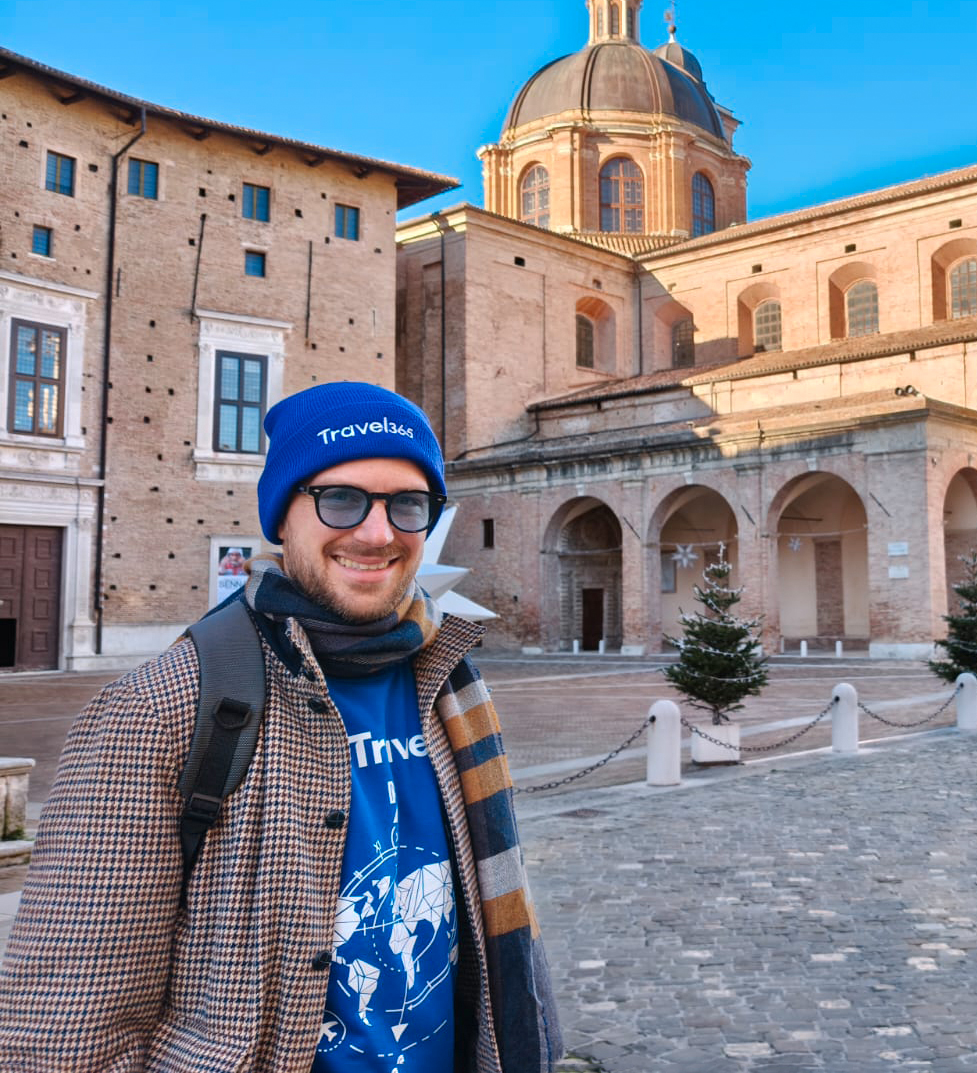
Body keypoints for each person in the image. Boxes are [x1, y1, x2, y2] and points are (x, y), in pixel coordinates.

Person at [0, 382, 561, 1072]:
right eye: (341, 499)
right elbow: (66, 1021)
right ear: (283, 515)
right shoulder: (159, 708)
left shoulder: (449, 682)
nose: (377, 533)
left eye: (407, 505)